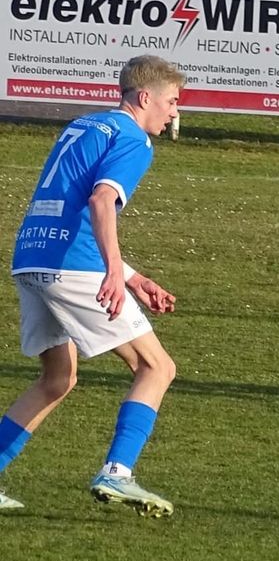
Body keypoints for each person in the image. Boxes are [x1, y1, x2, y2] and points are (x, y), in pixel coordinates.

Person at [0, 55, 185, 515]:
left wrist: (133, 277)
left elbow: (71, 208)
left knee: (56, 379)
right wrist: (112, 270)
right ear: (145, 98)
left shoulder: (86, 125)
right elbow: (102, 200)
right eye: (172, 101)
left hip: (31, 258)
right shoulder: (134, 139)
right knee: (157, 368)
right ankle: (117, 472)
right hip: (75, 267)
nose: (175, 112)